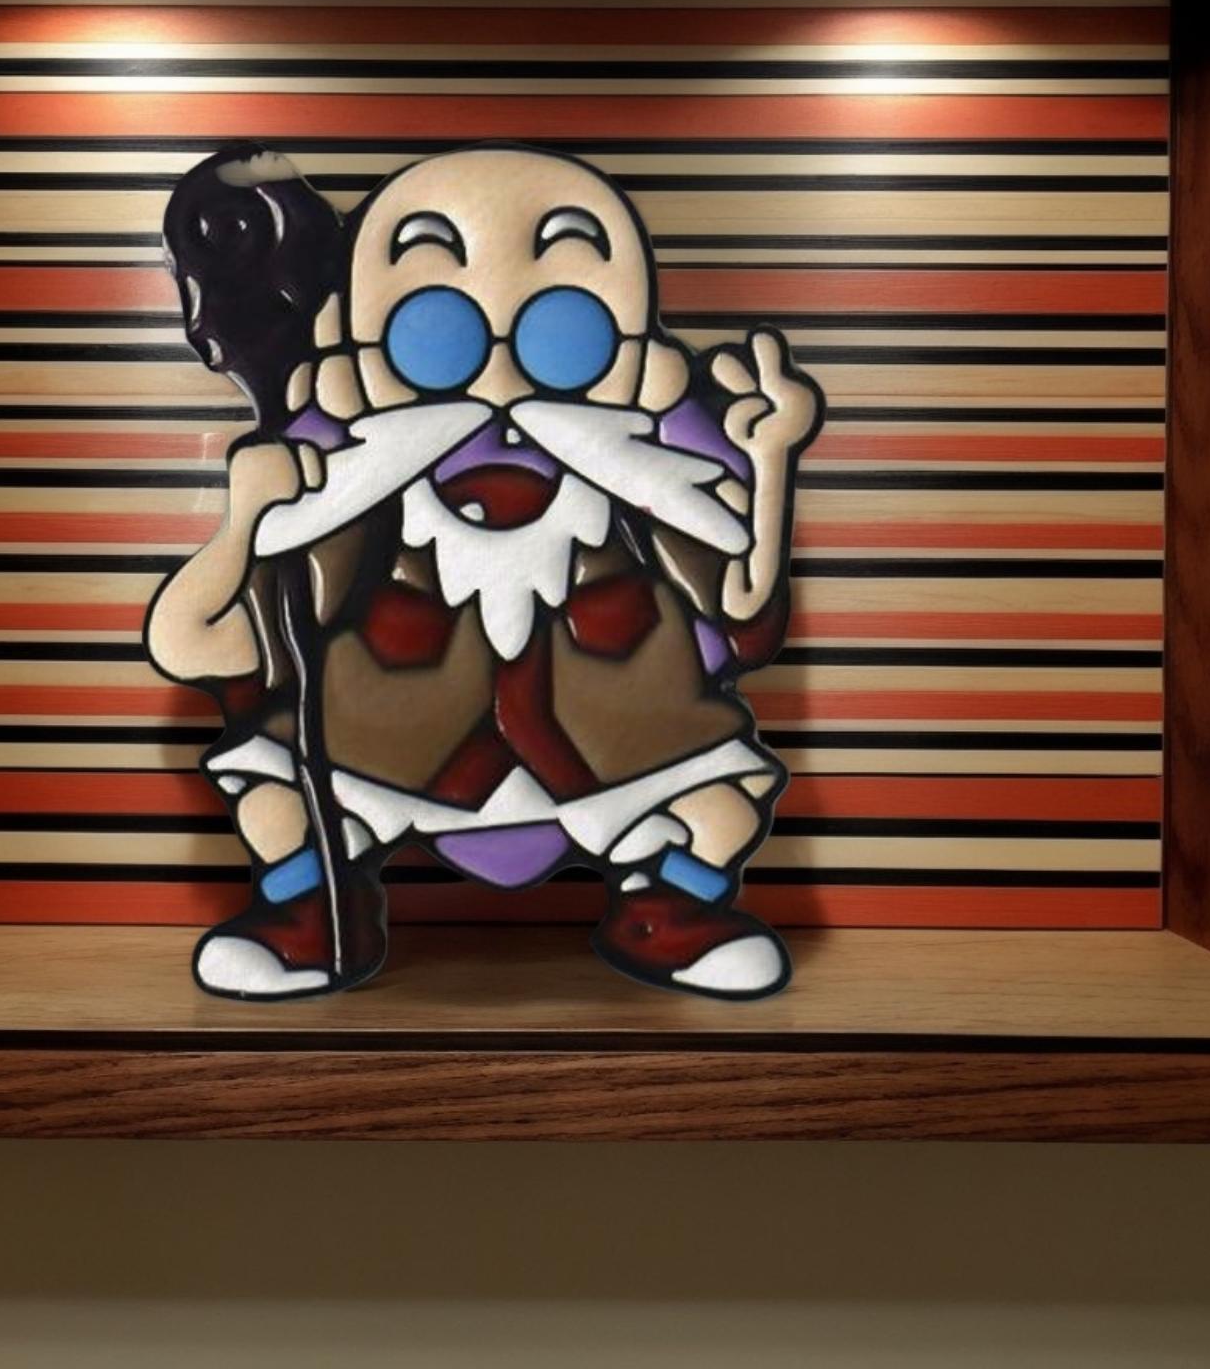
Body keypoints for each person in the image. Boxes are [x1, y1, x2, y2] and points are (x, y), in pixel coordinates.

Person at [147, 144, 821, 1001]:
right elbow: (192, 645)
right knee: (278, 802)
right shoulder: (342, 487)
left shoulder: (651, 481)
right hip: (388, 732)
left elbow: (745, 614)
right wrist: (247, 522)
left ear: (638, 353)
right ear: (357, 346)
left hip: (618, 730)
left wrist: (772, 463)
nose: (501, 385)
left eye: (563, 336)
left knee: (717, 808)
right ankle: (313, 915)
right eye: (436, 336)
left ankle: (668, 912)